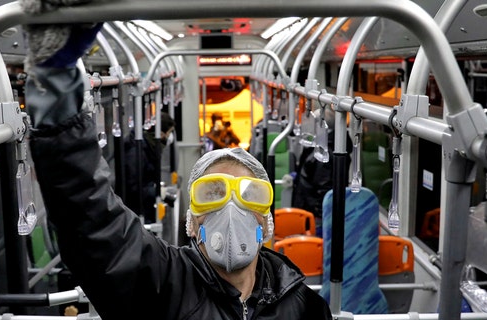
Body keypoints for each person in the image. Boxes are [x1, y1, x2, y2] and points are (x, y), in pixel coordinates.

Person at [21, 2, 332, 319]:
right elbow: (88, 217)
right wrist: (56, 79)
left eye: (250, 193)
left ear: (267, 221)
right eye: (213, 193)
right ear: (192, 222)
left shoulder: (306, 307)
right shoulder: (160, 283)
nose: (231, 208)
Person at [123, 112, 175, 224]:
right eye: (169, 132)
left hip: (143, 209)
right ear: (161, 134)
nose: (170, 137)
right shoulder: (136, 152)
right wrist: (156, 191)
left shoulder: (148, 147)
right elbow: (132, 188)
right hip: (136, 213)